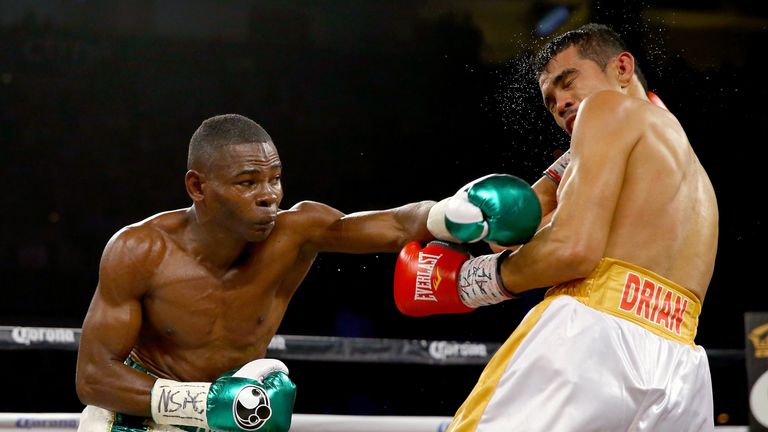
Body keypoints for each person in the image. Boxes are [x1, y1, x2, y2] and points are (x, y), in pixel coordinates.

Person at [74, 113, 541, 432]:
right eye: (247, 182)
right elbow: (93, 376)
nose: (268, 195)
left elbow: (396, 223)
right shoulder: (140, 250)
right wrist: (207, 404)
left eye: (274, 178)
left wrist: (447, 213)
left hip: (238, 418)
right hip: (141, 418)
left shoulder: (296, 231)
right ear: (198, 186)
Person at [395, 23, 718, 430]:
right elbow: (519, 229)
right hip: (682, 366)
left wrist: (466, 282)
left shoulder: (604, 109)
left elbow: (570, 249)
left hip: (591, 340)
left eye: (568, 82)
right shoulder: (690, 171)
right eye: (550, 100)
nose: (561, 102)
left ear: (622, 68)